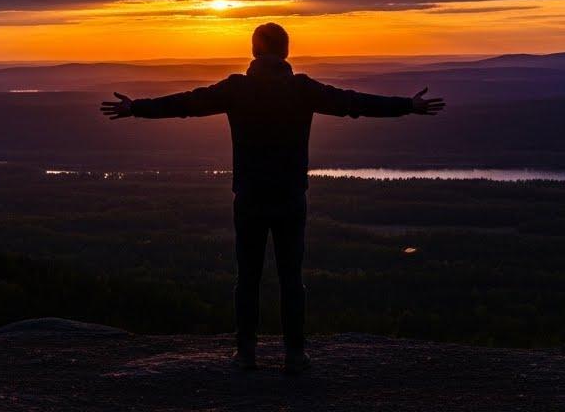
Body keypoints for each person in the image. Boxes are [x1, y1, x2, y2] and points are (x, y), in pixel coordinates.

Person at [99, 22, 445, 374]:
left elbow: (188, 103)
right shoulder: (301, 89)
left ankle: (246, 353)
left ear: (254, 51)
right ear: (286, 52)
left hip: (249, 195)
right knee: (291, 278)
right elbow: (352, 102)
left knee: (247, 278)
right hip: (290, 196)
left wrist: (136, 108)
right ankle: (294, 354)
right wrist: (407, 105)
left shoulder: (237, 88)